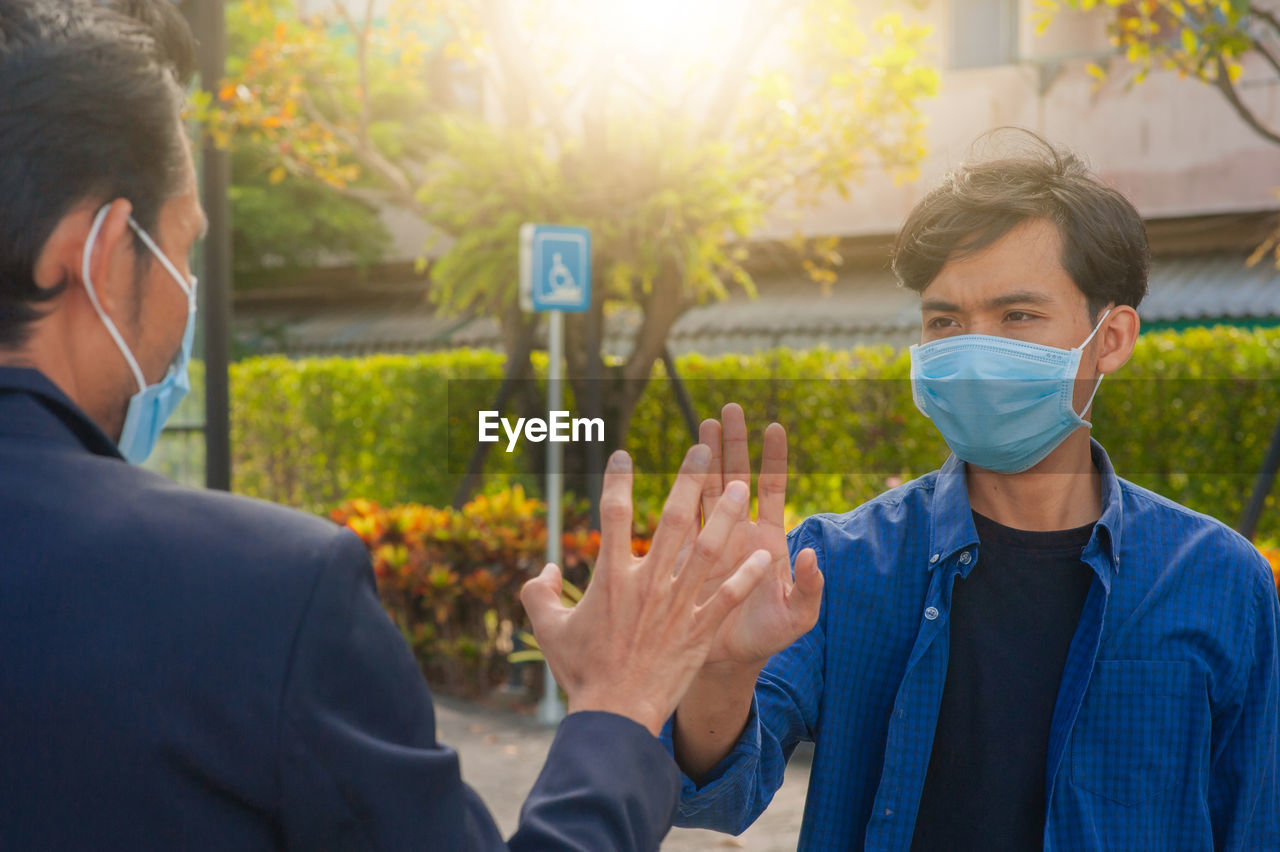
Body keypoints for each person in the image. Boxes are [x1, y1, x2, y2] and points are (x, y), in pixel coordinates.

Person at [0, 1, 775, 848]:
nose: (186, 290)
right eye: (184, 248)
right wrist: (621, 707)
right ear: (105, 254)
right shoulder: (265, 594)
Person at [668, 137, 1280, 850]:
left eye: (1017, 317)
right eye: (945, 322)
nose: (972, 352)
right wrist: (722, 670)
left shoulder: (1218, 581)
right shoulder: (834, 567)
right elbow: (711, 800)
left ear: (1110, 339)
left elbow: (1256, 824)